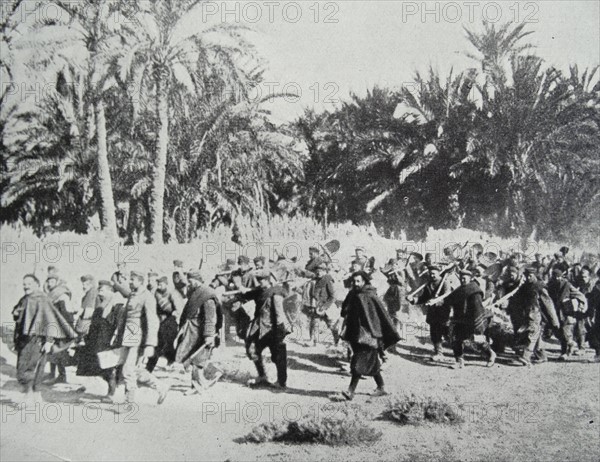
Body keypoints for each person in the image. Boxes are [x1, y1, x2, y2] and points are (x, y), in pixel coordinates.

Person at [12, 274, 78, 406]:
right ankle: (35, 395)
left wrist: (49, 341)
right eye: (24, 283)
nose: (26, 286)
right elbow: (18, 314)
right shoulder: (25, 298)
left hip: (38, 340)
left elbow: (50, 321)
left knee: (31, 367)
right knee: (25, 367)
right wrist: (16, 313)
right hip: (24, 339)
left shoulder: (42, 299)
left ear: (37, 284)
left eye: (29, 283)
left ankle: (29, 396)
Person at [335, 271, 400, 400]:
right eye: (354, 281)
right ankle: (381, 387)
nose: (355, 283)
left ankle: (350, 392)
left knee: (358, 361)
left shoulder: (370, 295)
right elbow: (345, 309)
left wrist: (379, 333)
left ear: (364, 281)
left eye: (358, 281)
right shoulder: (353, 293)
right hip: (355, 333)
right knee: (372, 362)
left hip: (368, 335)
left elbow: (380, 315)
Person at [114, 271, 169, 404]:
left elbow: (152, 321)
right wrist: (117, 336)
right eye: (130, 279)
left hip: (138, 337)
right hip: (127, 336)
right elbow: (125, 318)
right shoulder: (132, 295)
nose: (130, 282)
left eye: (133, 280)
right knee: (132, 369)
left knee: (128, 369)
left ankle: (128, 402)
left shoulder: (148, 297)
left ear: (140, 281)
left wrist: (150, 344)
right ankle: (161, 386)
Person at [76, 280, 125, 401]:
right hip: (96, 341)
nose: (99, 293)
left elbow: (120, 326)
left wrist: (116, 341)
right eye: (99, 290)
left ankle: (112, 392)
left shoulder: (116, 307)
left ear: (110, 291)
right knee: (94, 366)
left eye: (102, 290)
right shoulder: (99, 307)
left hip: (107, 342)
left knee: (107, 368)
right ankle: (91, 387)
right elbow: (93, 324)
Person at [242, 270, 292, 389]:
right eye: (259, 280)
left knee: (278, 356)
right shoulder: (260, 291)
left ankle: (281, 382)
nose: (260, 282)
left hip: (272, 329)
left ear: (269, 280)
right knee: (252, 350)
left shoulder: (275, 294)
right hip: (259, 327)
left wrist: (280, 332)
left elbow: (279, 314)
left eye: (262, 280)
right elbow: (246, 295)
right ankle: (262, 376)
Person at [175, 271, 223, 395]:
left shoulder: (207, 295)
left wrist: (208, 335)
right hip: (193, 332)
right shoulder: (196, 292)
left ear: (197, 280)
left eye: (190, 281)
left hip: (202, 334)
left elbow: (210, 318)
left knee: (197, 360)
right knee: (191, 358)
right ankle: (203, 381)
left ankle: (198, 384)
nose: (189, 283)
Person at [445, 270, 496, 369]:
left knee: (477, 341)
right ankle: (459, 361)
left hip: (472, 320)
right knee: (456, 339)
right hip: (460, 319)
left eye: (465, 278)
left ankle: (491, 354)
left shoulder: (474, 290)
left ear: (470, 278)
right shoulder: (460, 290)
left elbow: (478, 309)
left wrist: (478, 324)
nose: (463, 279)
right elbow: (450, 300)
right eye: (461, 278)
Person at [409, 264, 454, 361]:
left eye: (433, 273)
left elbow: (448, 297)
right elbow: (423, 298)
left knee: (447, 333)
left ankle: (458, 352)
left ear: (438, 273)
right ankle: (439, 353)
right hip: (432, 312)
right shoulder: (428, 284)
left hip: (443, 311)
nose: (432, 275)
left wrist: (436, 301)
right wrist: (413, 300)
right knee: (434, 333)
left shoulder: (445, 282)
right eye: (430, 274)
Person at [547, 269, 587, 360]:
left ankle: (565, 352)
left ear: (561, 276)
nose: (557, 278)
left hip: (566, 312)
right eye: (555, 276)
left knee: (566, 332)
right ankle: (570, 344)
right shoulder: (550, 286)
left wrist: (582, 305)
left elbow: (580, 295)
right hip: (555, 313)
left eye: (558, 276)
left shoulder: (567, 285)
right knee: (558, 333)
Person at [45, 270, 76, 384]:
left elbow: (66, 313)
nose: (49, 284)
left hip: (62, 327)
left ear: (57, 282)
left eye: (52, 281)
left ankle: (61, 376)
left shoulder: (62, 294)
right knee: (52, 351)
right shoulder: (51, 294)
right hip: (53, 326)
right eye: (48, 281)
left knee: (58, 351)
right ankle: (54, 375)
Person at [146, 276, 179, 373]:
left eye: (161, 284)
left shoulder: (172, 293)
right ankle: (149, 368)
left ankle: (172, 360)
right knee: (160, 344)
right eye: (158, 284)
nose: (159, 286)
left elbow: (178, 307)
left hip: (170, 321)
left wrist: (174, 312)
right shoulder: (156, 293)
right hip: (160, 321)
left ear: (166, 284)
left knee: (168, 344)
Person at [306, 262, 339, 347]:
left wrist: (325, 307)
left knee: (332, 326)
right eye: (317, 271)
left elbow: (333, 296)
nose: (318, 272)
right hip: (317, 306)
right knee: (314, 323)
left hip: (328, 306)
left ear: (325, 271)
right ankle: (313, 341)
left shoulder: (328, 280)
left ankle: (337, 341)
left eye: (320, 271)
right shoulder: (316, 281)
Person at [382, 258, 409, 343]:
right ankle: (395, 333)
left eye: (394, 264)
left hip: (400, 293)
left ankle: (403, 333)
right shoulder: (389, 272)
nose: (393, 266)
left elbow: (402, 282)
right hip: (391, 292)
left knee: (400, 313)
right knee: (392, 313)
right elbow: (384, 274)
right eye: (391, 265)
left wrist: (397, 272)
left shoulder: (401, 272)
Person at [585, 268, 600, 362]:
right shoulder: (597, 284)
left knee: (596, 333)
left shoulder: (598, 285)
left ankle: (598, 355)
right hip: (598, 311)